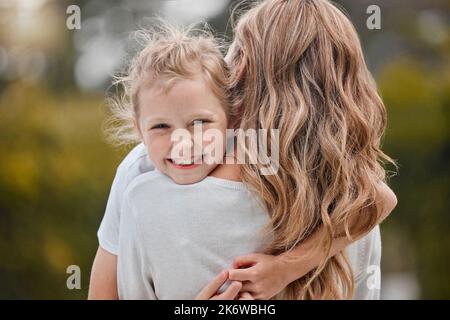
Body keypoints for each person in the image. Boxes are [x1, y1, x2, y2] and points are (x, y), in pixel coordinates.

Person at [89, 0, 397, 300]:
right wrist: (288, 268)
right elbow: (381, 200)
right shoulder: (350, 199)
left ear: (243, 66)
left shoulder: (146, 177)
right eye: (161, 127)